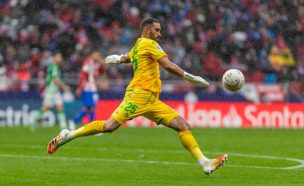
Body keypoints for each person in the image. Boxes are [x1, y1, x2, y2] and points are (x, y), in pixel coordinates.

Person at [47, 17, 227, 175]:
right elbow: (168, 65)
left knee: (182, 125)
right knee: (109, 126)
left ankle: (205, 163)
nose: (160, 34)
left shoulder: (139, 44)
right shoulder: (149, 44)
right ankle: (67, 135)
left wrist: (119, 58)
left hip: (152, 100)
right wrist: (189, 77)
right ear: (147, 30)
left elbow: (130, 56)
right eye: (157, 30)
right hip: (138, 95)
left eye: (160, 30)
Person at [33, 52, 70, 130]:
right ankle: (32, 121)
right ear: (55, 57)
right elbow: (55, 80)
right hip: (50, 91)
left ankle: (63, 126)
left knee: (60, 107)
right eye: (59, 57)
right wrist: (64, 86)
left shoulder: (54, 66)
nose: (61, 59)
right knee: (45, 108)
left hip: (55, 91)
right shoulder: (54, 67)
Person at [69, 50, 104, 130]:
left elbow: (101, 72)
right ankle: (92, 127)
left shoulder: (97, 64)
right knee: (91, 107)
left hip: (93, 88)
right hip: (87, 88)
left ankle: (73, 121)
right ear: (93, 54)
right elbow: (83, 75)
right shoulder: (88, 62)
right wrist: (79, 88)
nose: (98, 57)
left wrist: (102, 63)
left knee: (88, 108)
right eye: (97, 55)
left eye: (99, 55)